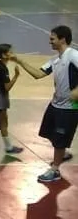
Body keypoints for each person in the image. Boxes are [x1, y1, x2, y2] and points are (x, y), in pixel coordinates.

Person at [12, 25, 77, 182]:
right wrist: (19, 60)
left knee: (60, 138)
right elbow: (38, 74)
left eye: (52, 38)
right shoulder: (55, 60)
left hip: (69, 108)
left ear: (62, 39)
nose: (50, 42)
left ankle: (55, 170)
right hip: (55, 104)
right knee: (48, 131)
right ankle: (62, 151)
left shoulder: (73, 55)